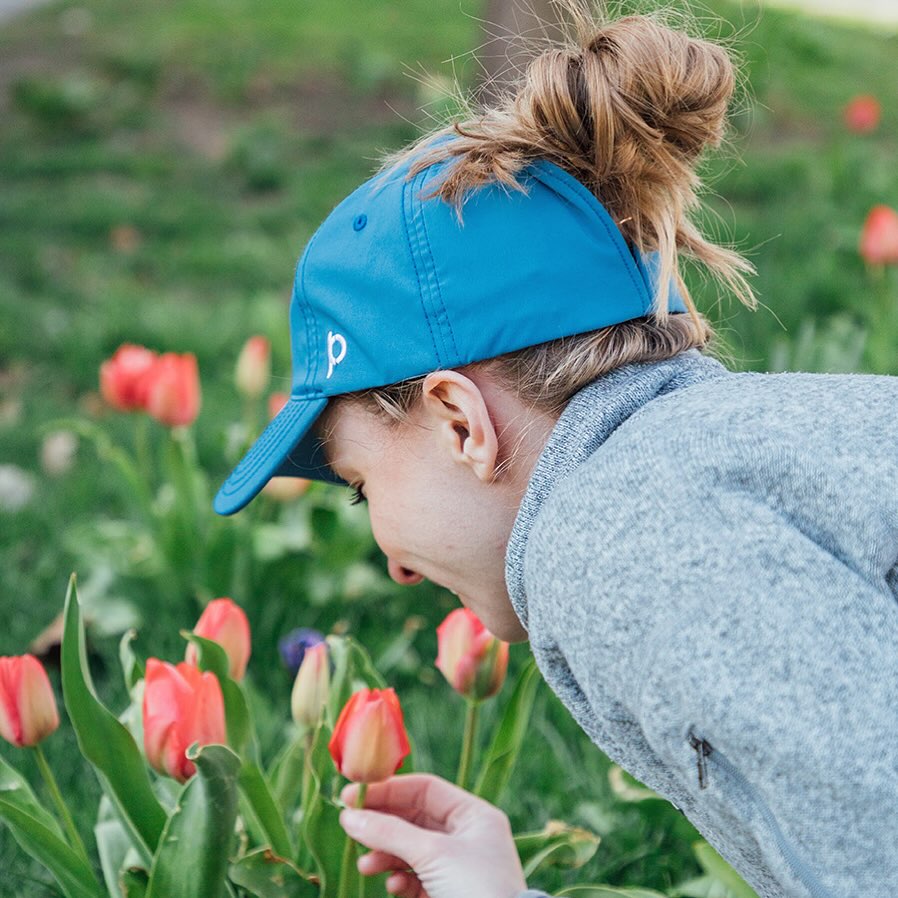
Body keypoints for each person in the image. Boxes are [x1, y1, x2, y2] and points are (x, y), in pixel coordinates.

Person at [213, 6, 898, 898]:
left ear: (461, 422)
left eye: (357, 484)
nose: (394, 566)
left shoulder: (618, 537)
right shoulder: (685, 469)